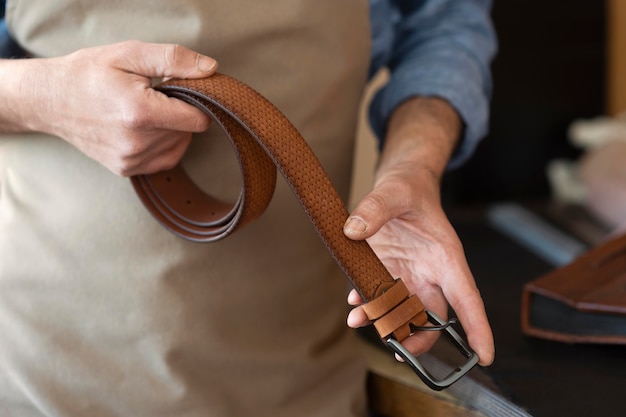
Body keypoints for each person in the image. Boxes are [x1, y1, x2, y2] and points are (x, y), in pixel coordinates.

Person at [0, 1, 496, 416]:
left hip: (299, 381)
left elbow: (443, 24)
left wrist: (414, 164)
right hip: (48, 375)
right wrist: (42, 97)